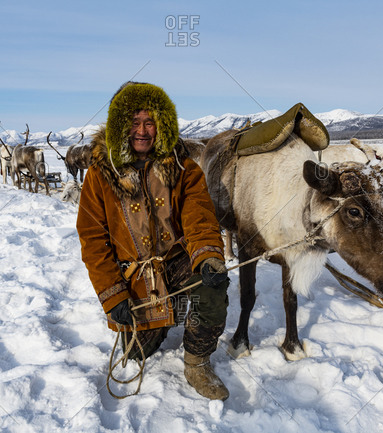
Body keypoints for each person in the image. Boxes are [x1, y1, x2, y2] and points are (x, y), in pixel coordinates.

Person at [76, 82, 230, 400]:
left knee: (211, 289)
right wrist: (113, 296)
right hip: (135, 278)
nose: (142, 131)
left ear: (161, 124)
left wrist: (209, 258)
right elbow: (93, 240)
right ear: (121, 125)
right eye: (134, 122)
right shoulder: (98, 176)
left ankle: (197, 363)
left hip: (178, 262)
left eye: (149, 122)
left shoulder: (183, 168)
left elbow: (199, 217)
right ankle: (158, 321)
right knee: (137, 355)